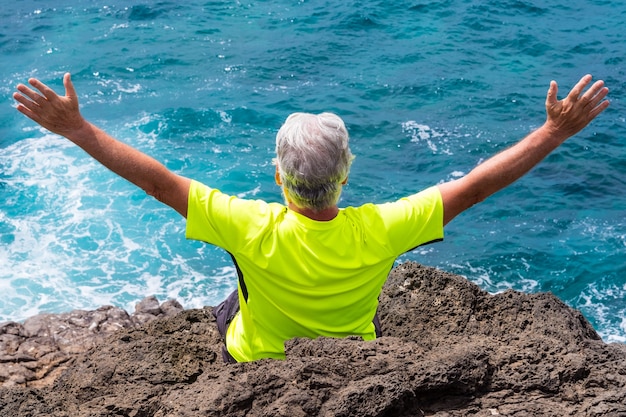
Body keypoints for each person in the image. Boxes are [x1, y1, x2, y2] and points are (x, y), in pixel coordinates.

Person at [13, 73, 609, 363]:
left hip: (254, 361)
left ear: (278, 176)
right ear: (345, 175)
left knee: (233, 295)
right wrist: (554, 131)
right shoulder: (383, 227)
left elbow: (156, 181)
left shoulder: (247, 224)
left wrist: (77, 129)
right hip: (353, 354)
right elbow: (475, 187)